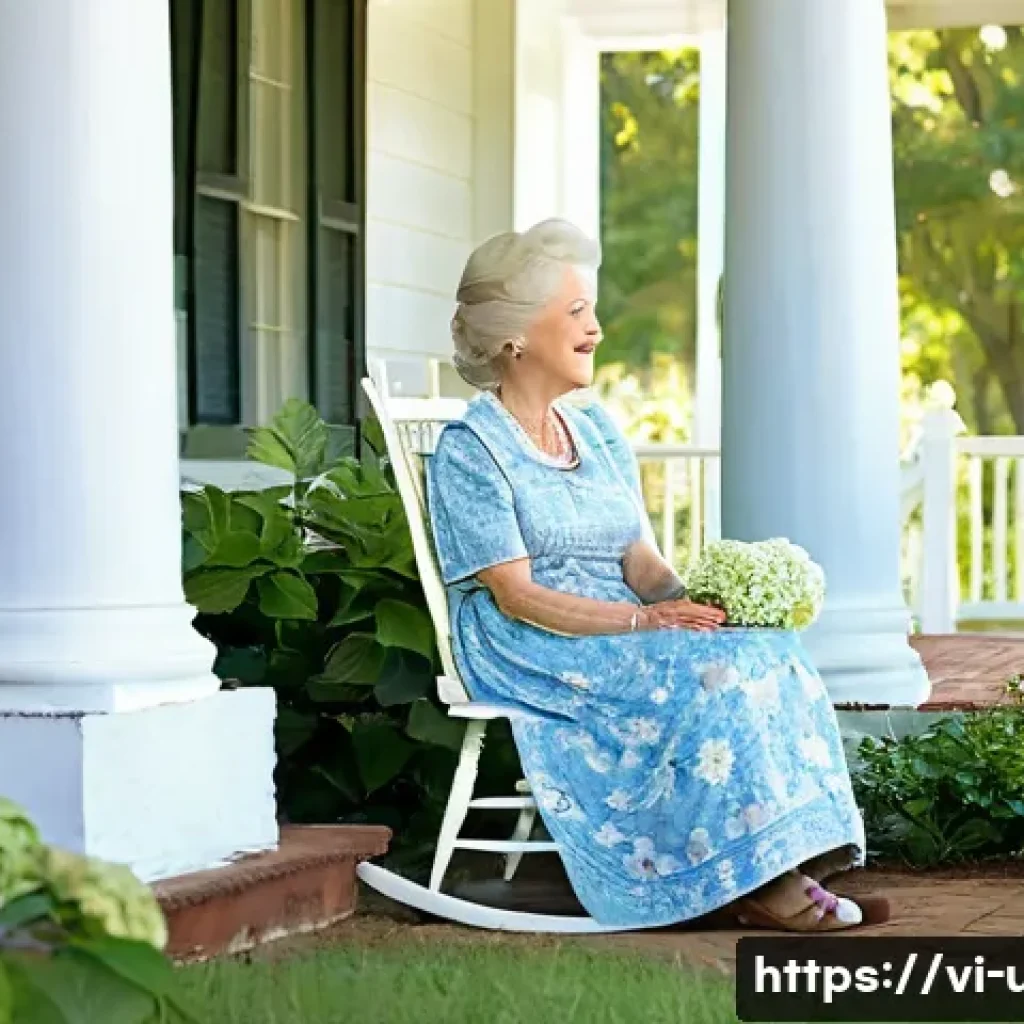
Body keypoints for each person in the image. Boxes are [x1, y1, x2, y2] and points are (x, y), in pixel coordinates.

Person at [425, 218, 880, 931]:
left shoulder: (597, 432)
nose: (596, 329)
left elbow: (641, 564)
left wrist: (702, 608)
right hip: (530, 641)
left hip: (619, 625)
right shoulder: (471, 449)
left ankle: (781, 862)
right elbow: (513, 594)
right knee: (711, 677)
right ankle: (754, 883)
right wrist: (647, 623)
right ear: (515, 334)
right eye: (576, 312)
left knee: (763, 650)